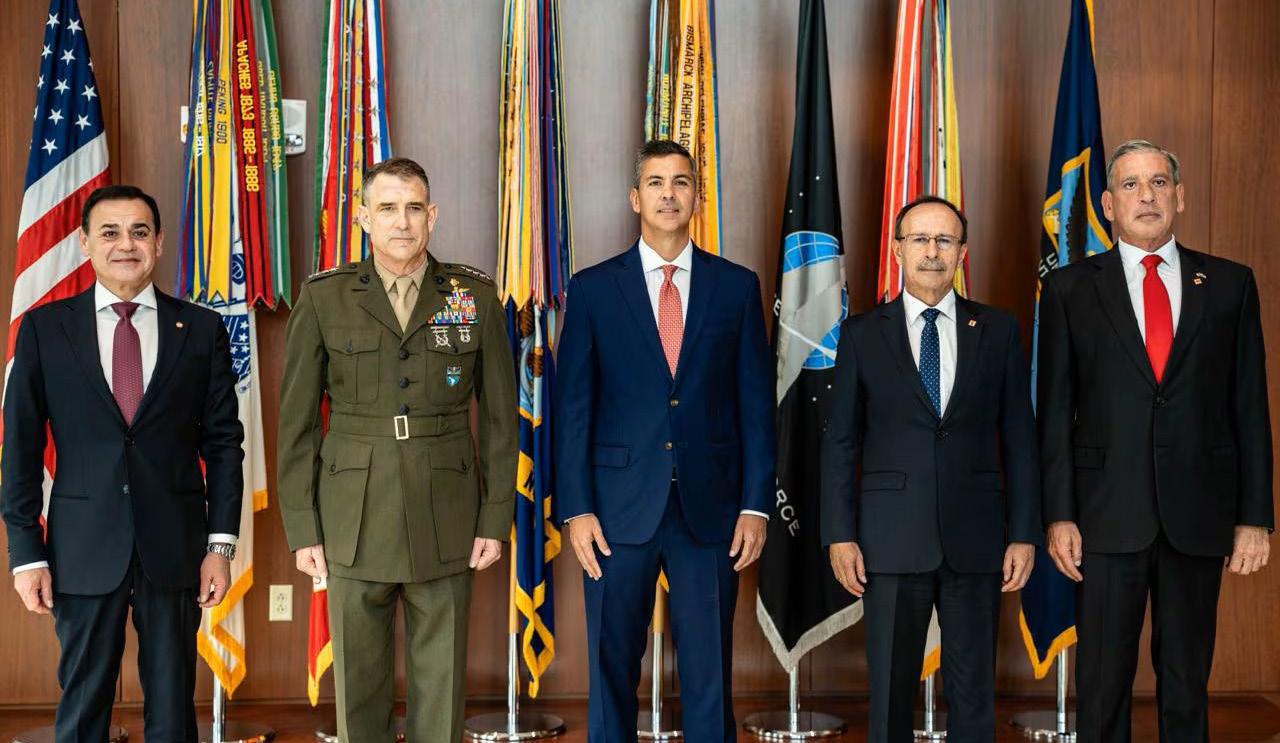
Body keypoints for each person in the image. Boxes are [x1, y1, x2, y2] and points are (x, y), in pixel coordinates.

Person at [1038, 139, 1273, 742]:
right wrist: (1059, 515)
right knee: (1101, 686)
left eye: (1159, 183)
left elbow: (1250, 408)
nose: (1147, 196)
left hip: (1198, 514)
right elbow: (1055, 414)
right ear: (1108, 204)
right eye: (1131, 185)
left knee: (1187, 681)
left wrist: (1254, 518)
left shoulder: (1230, 284)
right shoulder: (1068, 289)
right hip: (1104, 515)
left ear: (1180, 196)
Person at [277, 156, 517, 742]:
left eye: (413, 208)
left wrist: (494, 519)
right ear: (363, 217)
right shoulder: (326, 297)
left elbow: (500, 421)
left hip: (447, 510)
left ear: (432, 216)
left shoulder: (473, 295)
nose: (402, 222)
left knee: (442, 684)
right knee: (359, 688)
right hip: (353, 514)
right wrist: (304, 528)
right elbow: (297, 424)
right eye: (387, 208)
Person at [1, 185, 244, 742]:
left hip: (176, 547)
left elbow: (224, 444)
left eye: (139, 232)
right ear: (85, 243)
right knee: (83, 707)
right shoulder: (44, 329)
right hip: (82, 547)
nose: (125, 245)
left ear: (158, 243)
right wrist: (25, 554)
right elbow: (19, 450)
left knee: (173, 710)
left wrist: (220, 546)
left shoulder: (201, 329)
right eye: (109, 233)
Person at [554, 139, 775, 742]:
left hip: (711, 508)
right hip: (614, 511)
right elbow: (573, 410)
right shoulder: (594, 288)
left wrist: (756, 505)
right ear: (635, 198)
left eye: (681, 182)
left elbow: (756, 407)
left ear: (697, 197)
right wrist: (575, 508)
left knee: (709, 674)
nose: (668, 194)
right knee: (610, 670)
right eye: (655, 183)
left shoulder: (736, 287)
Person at [821, 195, 1041, 743]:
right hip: (890, 540)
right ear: (897, 250)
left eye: (945, 240)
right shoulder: (861, 335)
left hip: (977, 540)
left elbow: (1020, 439)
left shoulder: (998, 330)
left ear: (962, 252)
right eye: (919, 239)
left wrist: (1023, 533)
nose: (932, 251)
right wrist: (840, 535)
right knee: (890, 697)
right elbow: (841, 443)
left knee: (973, 695)